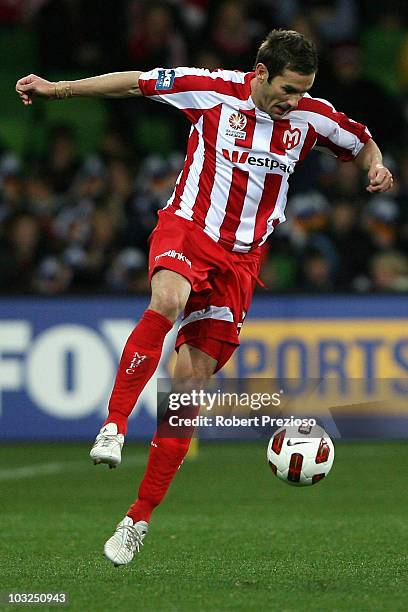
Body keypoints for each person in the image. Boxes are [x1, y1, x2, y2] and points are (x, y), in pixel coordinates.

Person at [16, 29, 393, 567]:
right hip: (189, 230)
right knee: (166, 299)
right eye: (288, 89)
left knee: (189, 386)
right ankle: (114, 424)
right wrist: (59, 90)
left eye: (304, 90)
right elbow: (134, 85)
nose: (294, 101)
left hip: (241, 263)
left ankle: (137, 518)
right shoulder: (212, 89)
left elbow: (361, 142)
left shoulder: (313, 117)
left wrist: (375, 167)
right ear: (261, 73)